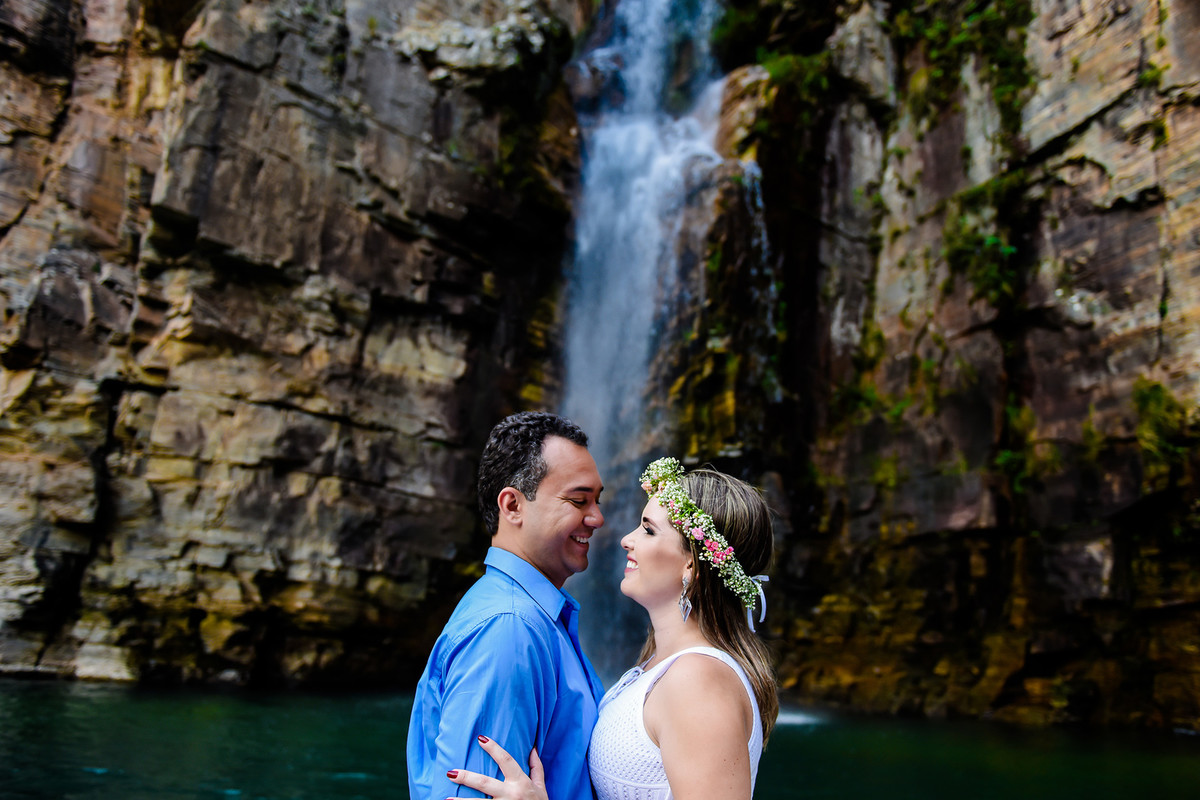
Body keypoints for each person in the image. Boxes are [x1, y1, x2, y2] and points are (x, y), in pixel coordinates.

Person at [447, 456, 779, 800]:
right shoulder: (662, 666)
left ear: (691, 564)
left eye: (648, 529)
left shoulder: (697, 681)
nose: (625, 539)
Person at [407, 411, 606, 800]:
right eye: (579, 500)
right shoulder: (509, 628)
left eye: (598, 500)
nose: (597, 518)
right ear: (512, 505)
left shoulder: (534, 617)